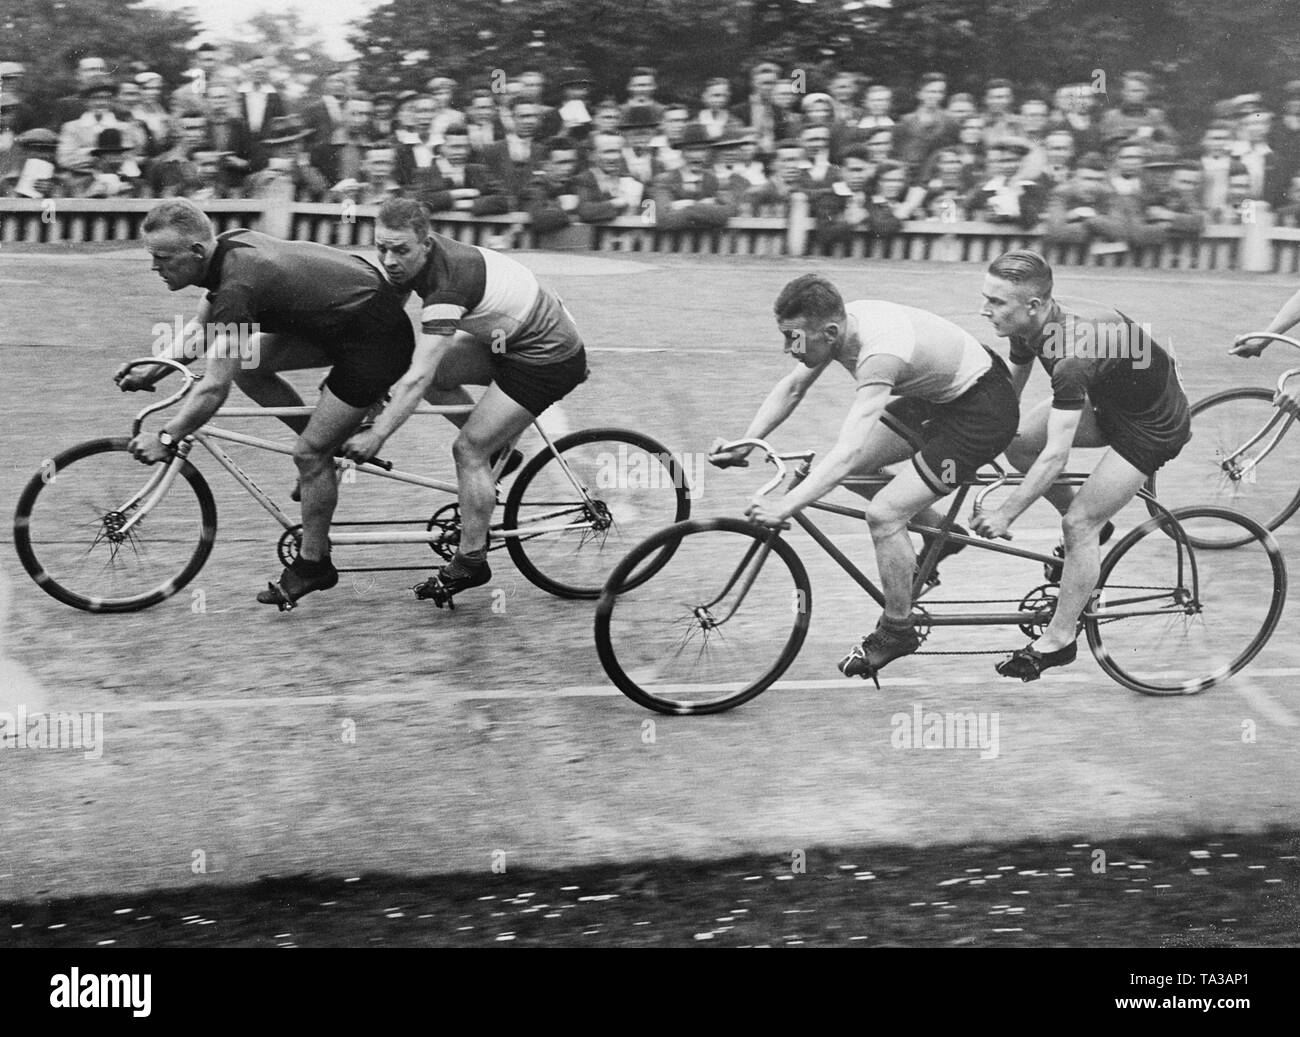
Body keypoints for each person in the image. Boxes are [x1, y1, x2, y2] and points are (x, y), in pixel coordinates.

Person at [709, 274, 1019, 682]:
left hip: (983, 410)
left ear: (831, 331)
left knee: (884, 514)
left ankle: (897, 629)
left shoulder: (878, 353)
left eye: (792, 338)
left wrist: (787, 503)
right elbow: (791, 390)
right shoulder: (835, 329)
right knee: (851, 471)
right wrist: (747, 442)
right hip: (944, 395)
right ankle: (938, 531)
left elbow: (848, 448)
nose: (787, 349)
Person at [115, 198, 419, 608]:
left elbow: (211, 389)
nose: (155, 267)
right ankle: (326, 444)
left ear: (197, 253)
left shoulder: (237, 288)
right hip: (342, 318)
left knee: (309, 454)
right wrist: (153, 372)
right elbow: (198, 331)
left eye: (162, 258)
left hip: (375, 341)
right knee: (250, 368)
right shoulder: (226, 251)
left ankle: (314, 564)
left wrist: (168, 437)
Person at [338, 198, 590, 606]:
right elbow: (383, 329)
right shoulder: (412, 261)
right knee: (433, 375)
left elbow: (417, 378)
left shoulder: (446, 285)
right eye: (380, 247)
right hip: (509, 338)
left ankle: (472, 559)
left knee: (468, 448)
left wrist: (377, 435)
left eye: (399, 250)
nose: (389, 259)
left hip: (547, 356)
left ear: (425, 242)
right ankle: (502, 448)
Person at [973, 250, 1191, 679]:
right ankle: (1097, 530)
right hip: (1112, 398)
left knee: (1078, 525)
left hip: (1152, 426)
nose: (985, 310)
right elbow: (1008, 405)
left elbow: (1057, 454)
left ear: (1033, 305)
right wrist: (976, 442)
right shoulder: (1026, 324)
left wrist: (1006, 512)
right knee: (1017, 445)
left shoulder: (1071, 357)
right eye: (986, 298)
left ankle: (1060, 640)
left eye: (996, 303)